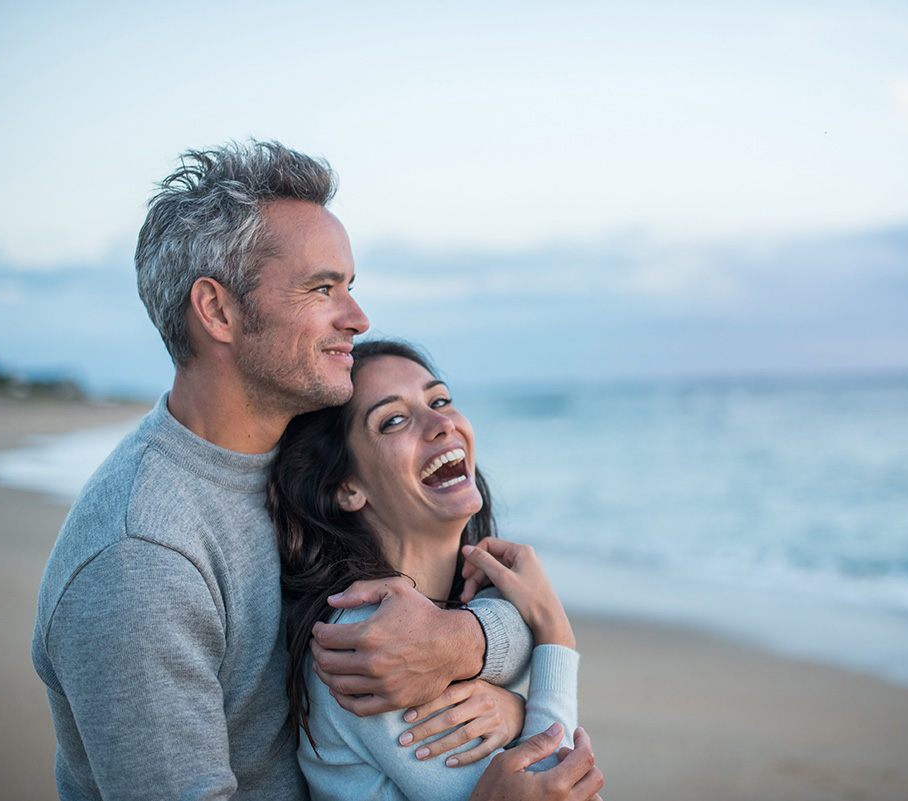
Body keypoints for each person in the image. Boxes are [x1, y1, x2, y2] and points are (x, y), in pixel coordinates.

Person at [31, 141, 600, 800]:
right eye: (323, 288)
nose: (357, 319)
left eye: (350, 287)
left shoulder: (290, 457)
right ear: (217, 311)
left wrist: (472, 645)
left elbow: (430, 599)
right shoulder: (142, 560)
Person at [269, 340, 601, 801]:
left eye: (440, 401)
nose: (442, 424)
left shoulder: (441, 614)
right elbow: (551, 783)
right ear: (348, 488)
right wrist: (555, 634)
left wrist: (517, 708)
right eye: (394, 420)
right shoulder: (369, 638)